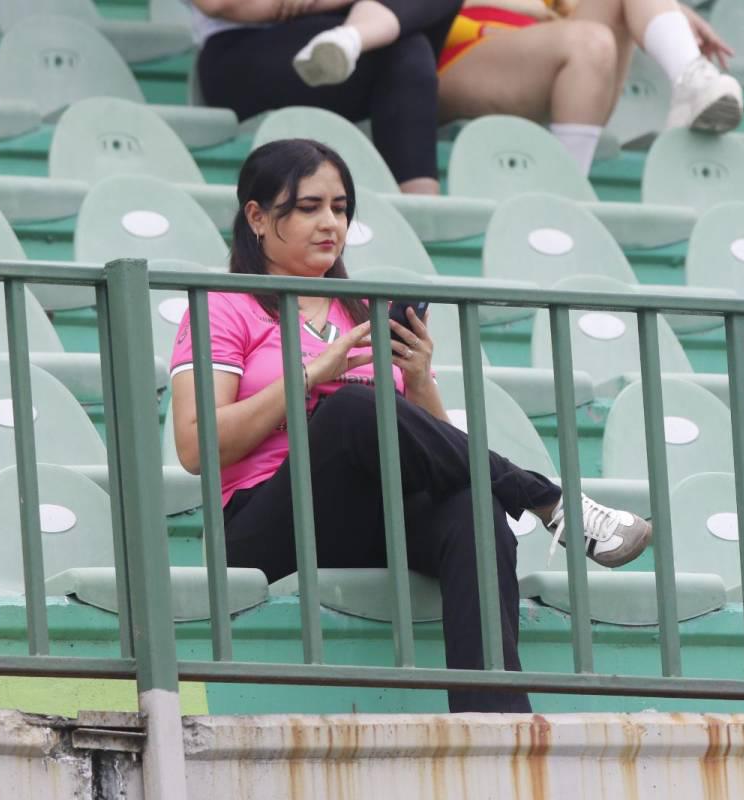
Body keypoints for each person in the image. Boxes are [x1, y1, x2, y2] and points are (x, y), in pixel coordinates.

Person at [169, 138, 653, 713]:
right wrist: (306, 377)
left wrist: (420, 381)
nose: (331, 223)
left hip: (366, 519)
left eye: (341, 208)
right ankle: (545, 499)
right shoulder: (225, 306)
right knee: (346, 410)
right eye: (309, 207)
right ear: (256, 216)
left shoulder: (365, 309)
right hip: (261, 527)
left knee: (474, 506)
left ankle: (494, 724)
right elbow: (196, 448)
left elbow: (435, 451)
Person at [187, 0, 462, 194]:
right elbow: (218, 3)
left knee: (409, 51)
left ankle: (352, 37)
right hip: (238, 54)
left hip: (332, 38)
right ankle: (354, 37)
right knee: (403, 48)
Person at [436, 0, 743, 174]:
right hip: (460, 50)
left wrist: (672, 12)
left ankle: (691, 78)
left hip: (544, 46)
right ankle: (567, 194)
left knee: (592, 39)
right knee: (588, 41)